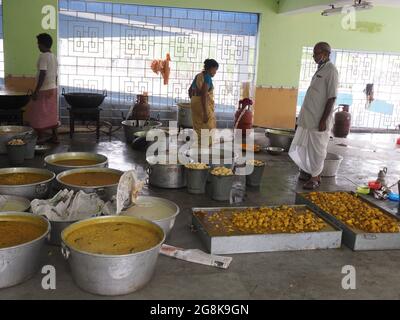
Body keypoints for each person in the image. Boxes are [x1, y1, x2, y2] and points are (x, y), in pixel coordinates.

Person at [289, 42, 339, 190]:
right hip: (309, 118)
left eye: (316, 53)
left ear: (326, 53)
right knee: (306, 146)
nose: (314, 57)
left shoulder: (331, 70)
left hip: (319, 120)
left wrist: (323, 119)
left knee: (317, 149)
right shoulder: (321, 69)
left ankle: (316, 178)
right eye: (314, 54)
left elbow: (332, 97)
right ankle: (309, 171)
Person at [26, 33, 59, 144]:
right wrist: (55, 85)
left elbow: (43, 73)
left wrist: (36, 91)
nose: (37, 46)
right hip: (53, 88)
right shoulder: (54, 57)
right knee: (51, 113)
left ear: (42, 44)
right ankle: (55, 137)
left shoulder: (43, 56)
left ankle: (40, 138)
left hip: (43, 89)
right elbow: (55, 75)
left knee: (39, 113)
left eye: (38, 43)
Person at [189, 59, 219, 145]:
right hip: (202, 103)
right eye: (215, 70)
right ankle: (205, 147)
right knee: (209, 125)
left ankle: (198, 146)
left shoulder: (198, 75)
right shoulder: (207, 78)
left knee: (198, 125)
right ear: (210, 68)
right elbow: (204, 95)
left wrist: (194, 100)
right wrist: (205, 112)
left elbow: (190, 90)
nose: (215, 72)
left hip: (195, 102)